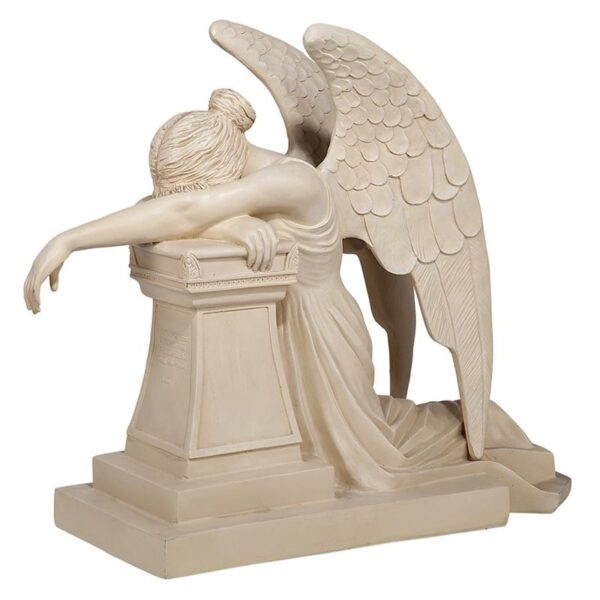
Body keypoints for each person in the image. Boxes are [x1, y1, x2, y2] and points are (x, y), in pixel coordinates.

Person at [24, 88, 541, 491]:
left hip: (318, 331)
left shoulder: (295, 181)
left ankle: (479, 427)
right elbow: (173, 209)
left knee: (370, 458)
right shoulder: (247, 187)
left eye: (208, 191)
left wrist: (71, 239)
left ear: (218, 174)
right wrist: (228, 225)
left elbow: (185, 212)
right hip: (274, 328)